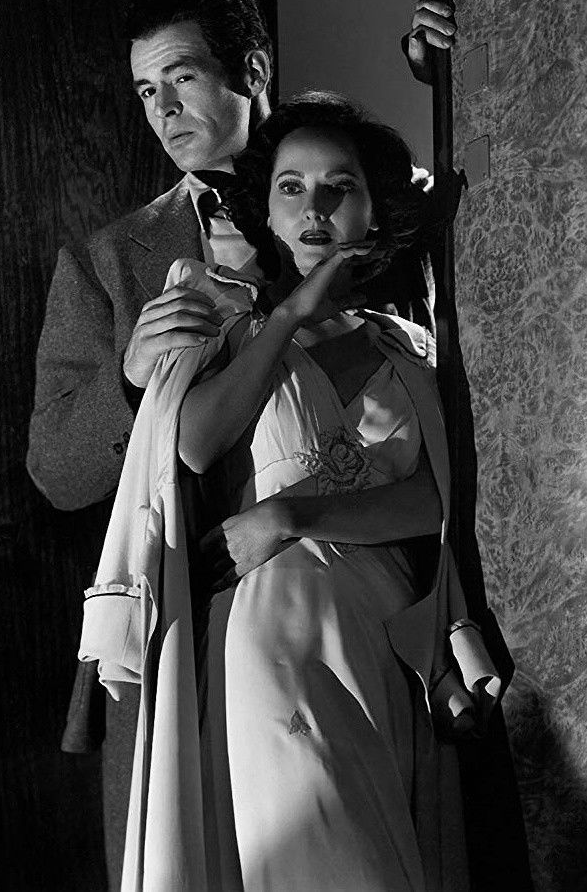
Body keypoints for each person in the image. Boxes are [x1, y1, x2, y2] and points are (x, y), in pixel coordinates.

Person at [26, 0, 456, 887]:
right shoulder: (111, 261)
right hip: (191, 627)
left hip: (382, 612)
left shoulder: (366, 205)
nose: (163, 110)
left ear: (251, 71)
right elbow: (56, 471)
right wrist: (130, 381)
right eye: (146, 90)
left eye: (181, 78)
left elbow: (466, 208)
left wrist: (449, 73)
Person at [80, 92, 502, 891]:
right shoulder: (233, 332)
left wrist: (287, 514)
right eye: (291, 187)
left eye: (340, 188)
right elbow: (195, 444)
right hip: (271, 636)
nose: (315, 209)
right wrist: (288, 316)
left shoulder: (408, 350)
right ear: (265, 212)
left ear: (373, 210)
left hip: (383, 640)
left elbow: (430, 503)